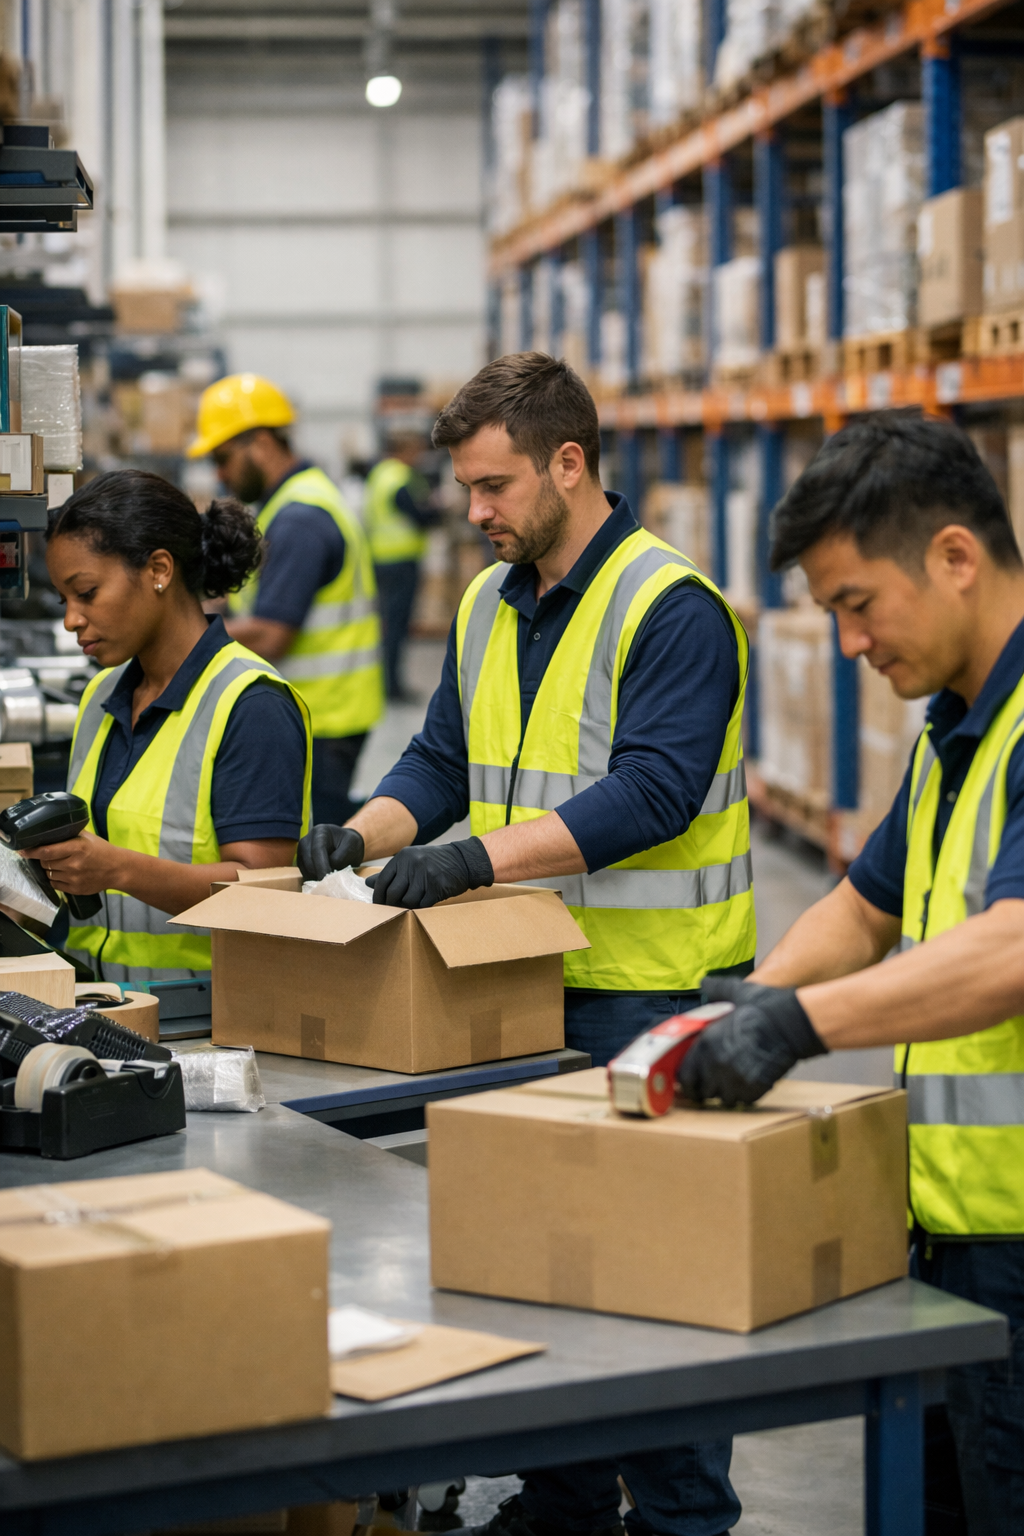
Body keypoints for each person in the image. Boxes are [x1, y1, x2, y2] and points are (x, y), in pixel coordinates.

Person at [300, 352, 756, 1536]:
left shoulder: (672, 608)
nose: (476, 511)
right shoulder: (483, 602)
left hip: (650, 1001)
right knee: (545, 1266)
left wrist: (468, 863)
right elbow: (441, 761)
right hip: (519, 994)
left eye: (494, 485)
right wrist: (360, 835)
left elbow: (653, 791)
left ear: (569, 462)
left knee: (659, 1287)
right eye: (466, 488)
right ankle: (561, 1497)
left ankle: (677, 1518)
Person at [678, 416, 1024, 1536]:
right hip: (949, 1234)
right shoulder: (957, 729)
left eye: (855, 605)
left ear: (955, 558)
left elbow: (1012, 948)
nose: (845, 644)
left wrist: (793, 1028)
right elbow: (864, 905)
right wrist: (743, 1003)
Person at [33, 469, 311, 984]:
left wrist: (116, 869)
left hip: (212, 1018)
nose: (71, 619)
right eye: (62, 600)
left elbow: (266, 889)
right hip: (107, 1004)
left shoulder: (251, 705)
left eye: (87, 592)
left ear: (159, 569)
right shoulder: (100, 697)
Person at [187, 372, 383, 825]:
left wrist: (181, 637)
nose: (219, 472)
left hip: (322, 717)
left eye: (222, 457)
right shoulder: (291, 502)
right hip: (325, 711)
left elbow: (272, 635)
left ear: (260, 442)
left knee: (311, 852)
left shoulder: (300, 518)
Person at [364, 432, 438, 701]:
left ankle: (387, 682)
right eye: (415, 449)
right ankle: (391, 686)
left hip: (382, 560)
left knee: (388, 625)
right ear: (404, 449)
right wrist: (437, 508)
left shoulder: (379, 475)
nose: (419, 456)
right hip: (400, 562)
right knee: (396, 626)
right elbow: (420, 516)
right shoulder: (399, 478)